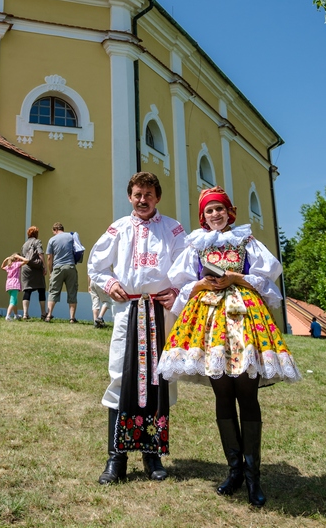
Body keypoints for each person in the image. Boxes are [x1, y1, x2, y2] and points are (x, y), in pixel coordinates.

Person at [157, 186, 301, 507]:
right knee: (221, 392)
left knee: (246, 393)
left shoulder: (246, 241)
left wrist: (237, 278)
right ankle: (234, 469)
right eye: (209, 211)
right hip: (208, 321)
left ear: (229, 211)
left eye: (219, 209)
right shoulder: (196, 244)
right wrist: (201, 283)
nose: (215, 215)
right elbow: (179, 280)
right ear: (203, 216)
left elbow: (268, 275)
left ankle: (253, 476)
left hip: (244, 318)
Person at [87, 171, 187, 484]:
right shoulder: (118, 228)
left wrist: (177, 291)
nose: (142, 200)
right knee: (121, 375)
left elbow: (187, 269)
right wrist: (109, 282)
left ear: (157, 197)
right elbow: (96, 266)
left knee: (159, 380)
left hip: (161, 311)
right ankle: (115, 457)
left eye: (148, 194)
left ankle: (151, 453)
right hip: (128, 310)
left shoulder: (173, 229)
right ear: (130, 197)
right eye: (137, 195)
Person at [45, 223, 79, 323]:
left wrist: (51, 271)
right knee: (72, 291)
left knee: (53, 291)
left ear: (55, 230)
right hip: (70, 266)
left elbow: (49, 257)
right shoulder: (71, 236)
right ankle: (72, 318)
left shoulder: (52, 240)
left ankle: (49, 315)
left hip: (57, 267)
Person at [20, 227, 47, 320]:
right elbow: (40, 253)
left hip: (26, 269)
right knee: (41, 290)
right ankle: (43, 313)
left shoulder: (24, 244)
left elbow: (23, 257)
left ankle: (25, 314)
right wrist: (44, 266)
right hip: (37, 269)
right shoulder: (37, 242)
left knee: (27, 290)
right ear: (36, 233)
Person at [1, 253, 29, 320]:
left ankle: (16, 315)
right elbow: (27, 260)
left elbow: (2, 267)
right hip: (14, 284)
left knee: (15, 301)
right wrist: (19, 256)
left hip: (8, 285)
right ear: (17, 259)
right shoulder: (17, 264)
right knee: (12, 301)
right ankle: (8, 315)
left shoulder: (9, 266)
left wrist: (5, 260)